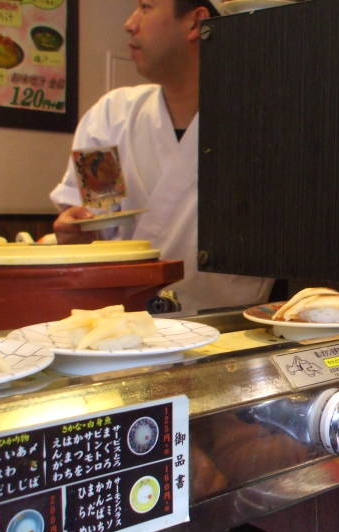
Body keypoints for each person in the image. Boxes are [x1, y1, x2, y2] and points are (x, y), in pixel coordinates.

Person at [51, 0, 273, 312]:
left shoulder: (266, 123)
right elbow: (96, 216)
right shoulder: (111, 115)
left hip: (230, 329)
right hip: (117, 325)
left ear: (196, 23)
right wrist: (75, 233)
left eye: (145, 6)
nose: (130, 23)